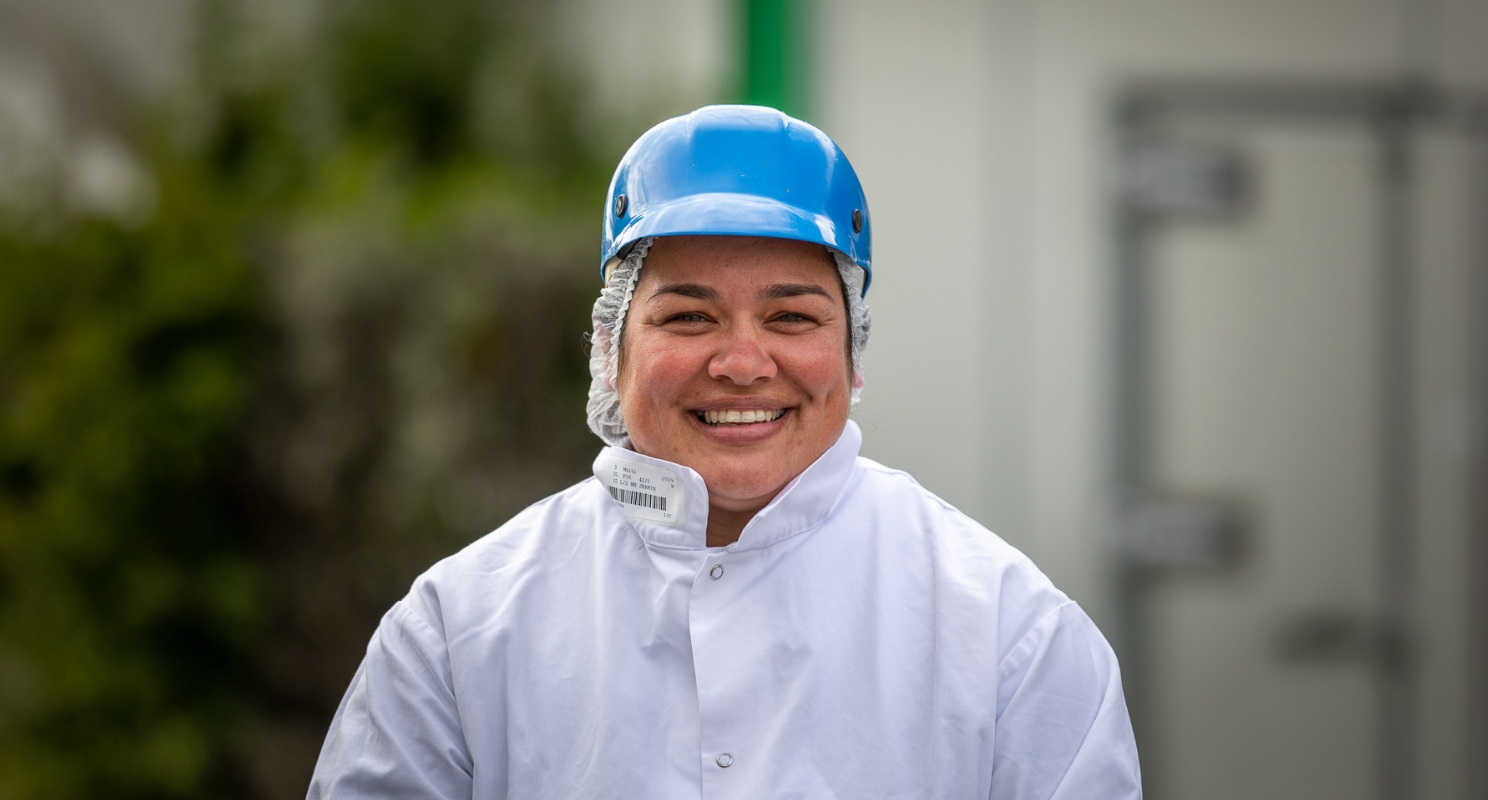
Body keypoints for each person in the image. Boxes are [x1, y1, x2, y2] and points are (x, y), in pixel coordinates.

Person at [308, 105, 1142, 799]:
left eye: (791, 317)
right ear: (610, 349)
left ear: (852, 353)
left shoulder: (1008, 635)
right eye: (689, 317)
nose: (743, 363)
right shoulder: (459, 633)